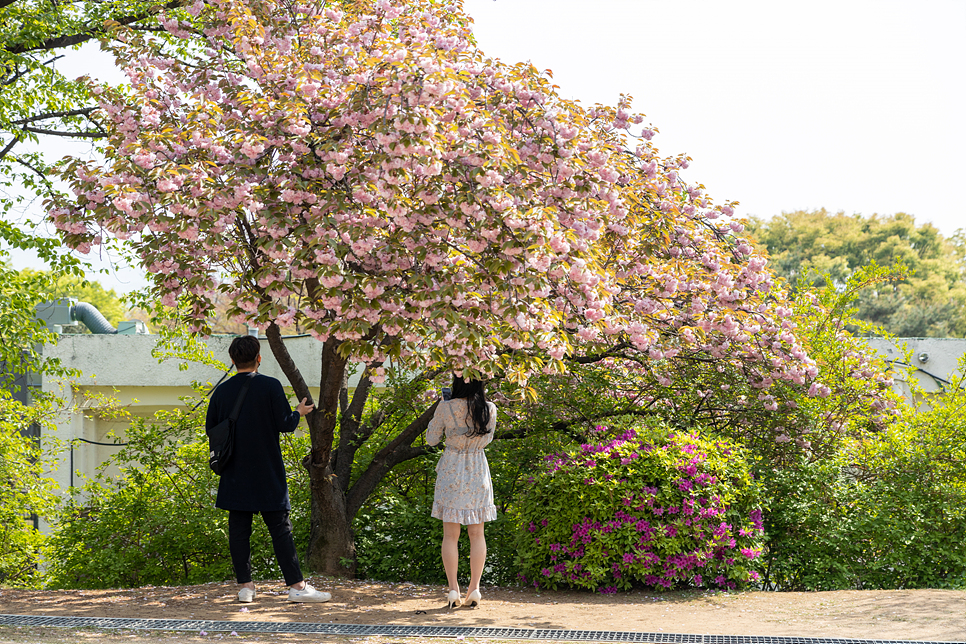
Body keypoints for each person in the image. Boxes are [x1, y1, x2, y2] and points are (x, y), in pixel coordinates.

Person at [205, 335, 329, 603]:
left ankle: (246, 588)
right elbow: (285, 424)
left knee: (239, 530)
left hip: (234, 472)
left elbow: (211, 430)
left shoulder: (221, 392)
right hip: (267, 471)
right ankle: (297, 587)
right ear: (258, 359)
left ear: (232, 360)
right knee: (280, 530)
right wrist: (299, 412)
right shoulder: (270, 386)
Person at [426, 375, 497, 609]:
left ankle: (453, 589)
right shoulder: (489, 408)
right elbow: (488, 439)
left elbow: (431, 439)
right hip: (478, 469)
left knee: (450, 535)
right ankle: (475, 588)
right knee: (477, 533)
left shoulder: (446, 407)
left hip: (452, 469)